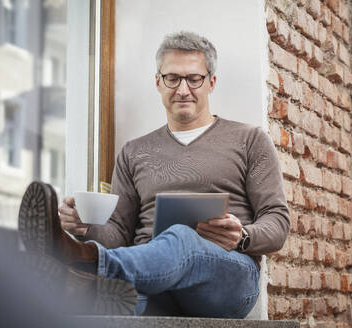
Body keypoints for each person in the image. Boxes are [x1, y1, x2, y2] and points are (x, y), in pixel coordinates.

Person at [18, 31, 290, 318]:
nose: (183, 89)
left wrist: (243, 236)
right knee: (119, 302)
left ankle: (82, 260)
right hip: (152, 281)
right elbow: (120, 234)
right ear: (158, 83)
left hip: (227, 276)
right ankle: (84, 283)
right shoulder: (134, 152)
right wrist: (86, 228)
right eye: (172, 78)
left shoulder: (249, 139)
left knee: (182, 238)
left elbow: (277, 221)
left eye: (194, 79)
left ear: (211, 82)